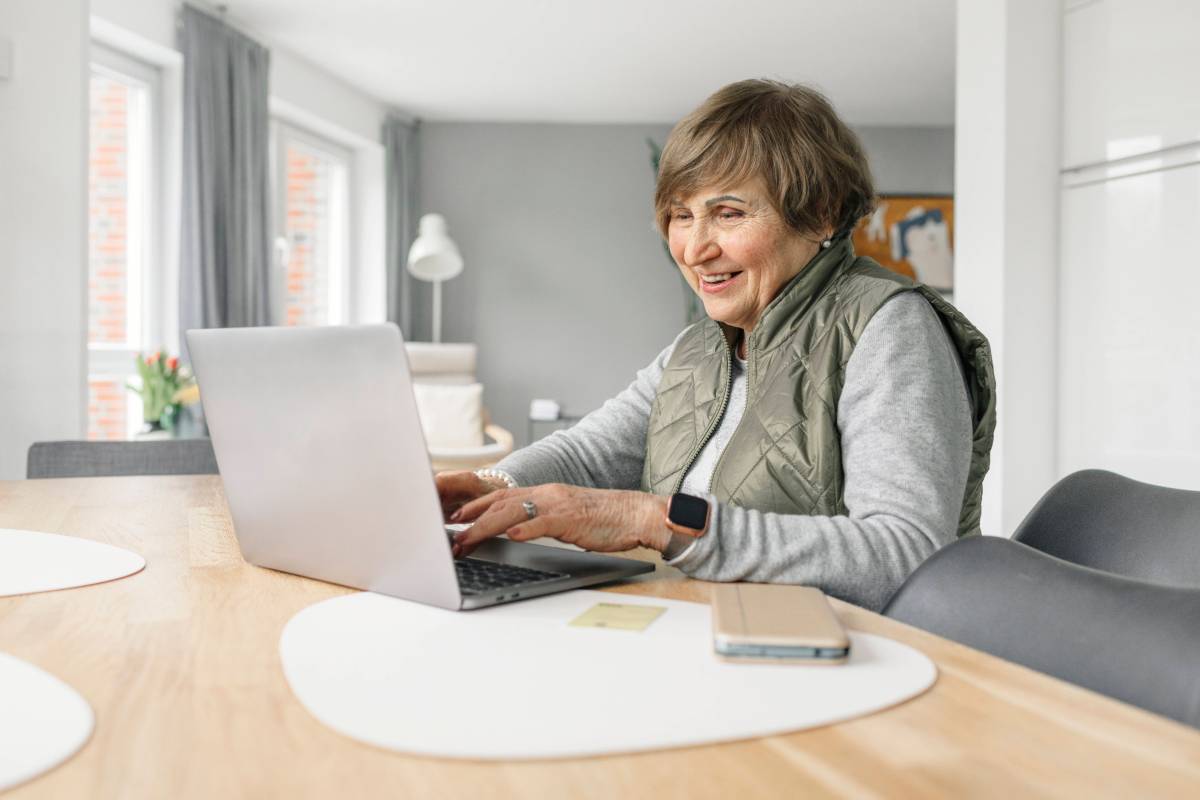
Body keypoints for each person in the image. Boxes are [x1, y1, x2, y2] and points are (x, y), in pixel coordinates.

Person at [437, 79, 996, 612]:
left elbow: (905, 553)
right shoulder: (701, 346)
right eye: (682, 215)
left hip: (850, 656)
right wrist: (490, 487)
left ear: (820, 212)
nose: (695, 248)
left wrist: (659, 521)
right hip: (702, 627)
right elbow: (590, 454)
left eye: (728, 214)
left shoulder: (890, 327)